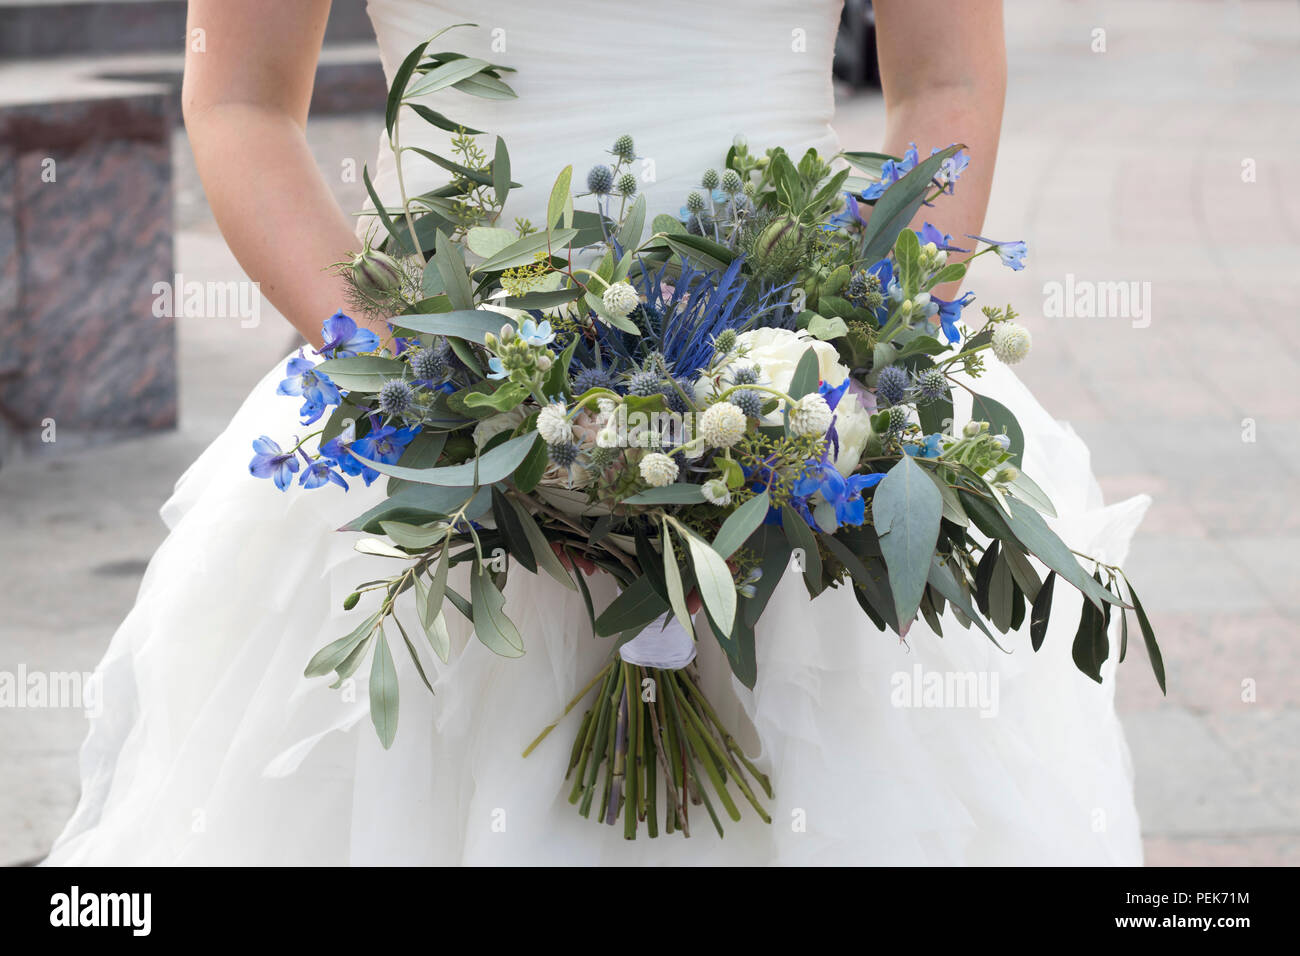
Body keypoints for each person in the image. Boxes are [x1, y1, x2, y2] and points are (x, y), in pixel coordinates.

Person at [45, 0, 1147, 865]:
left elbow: (946, 77)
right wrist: (428, 384)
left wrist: (842, 367)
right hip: (443, 417)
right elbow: (239, 96)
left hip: (804, 426)